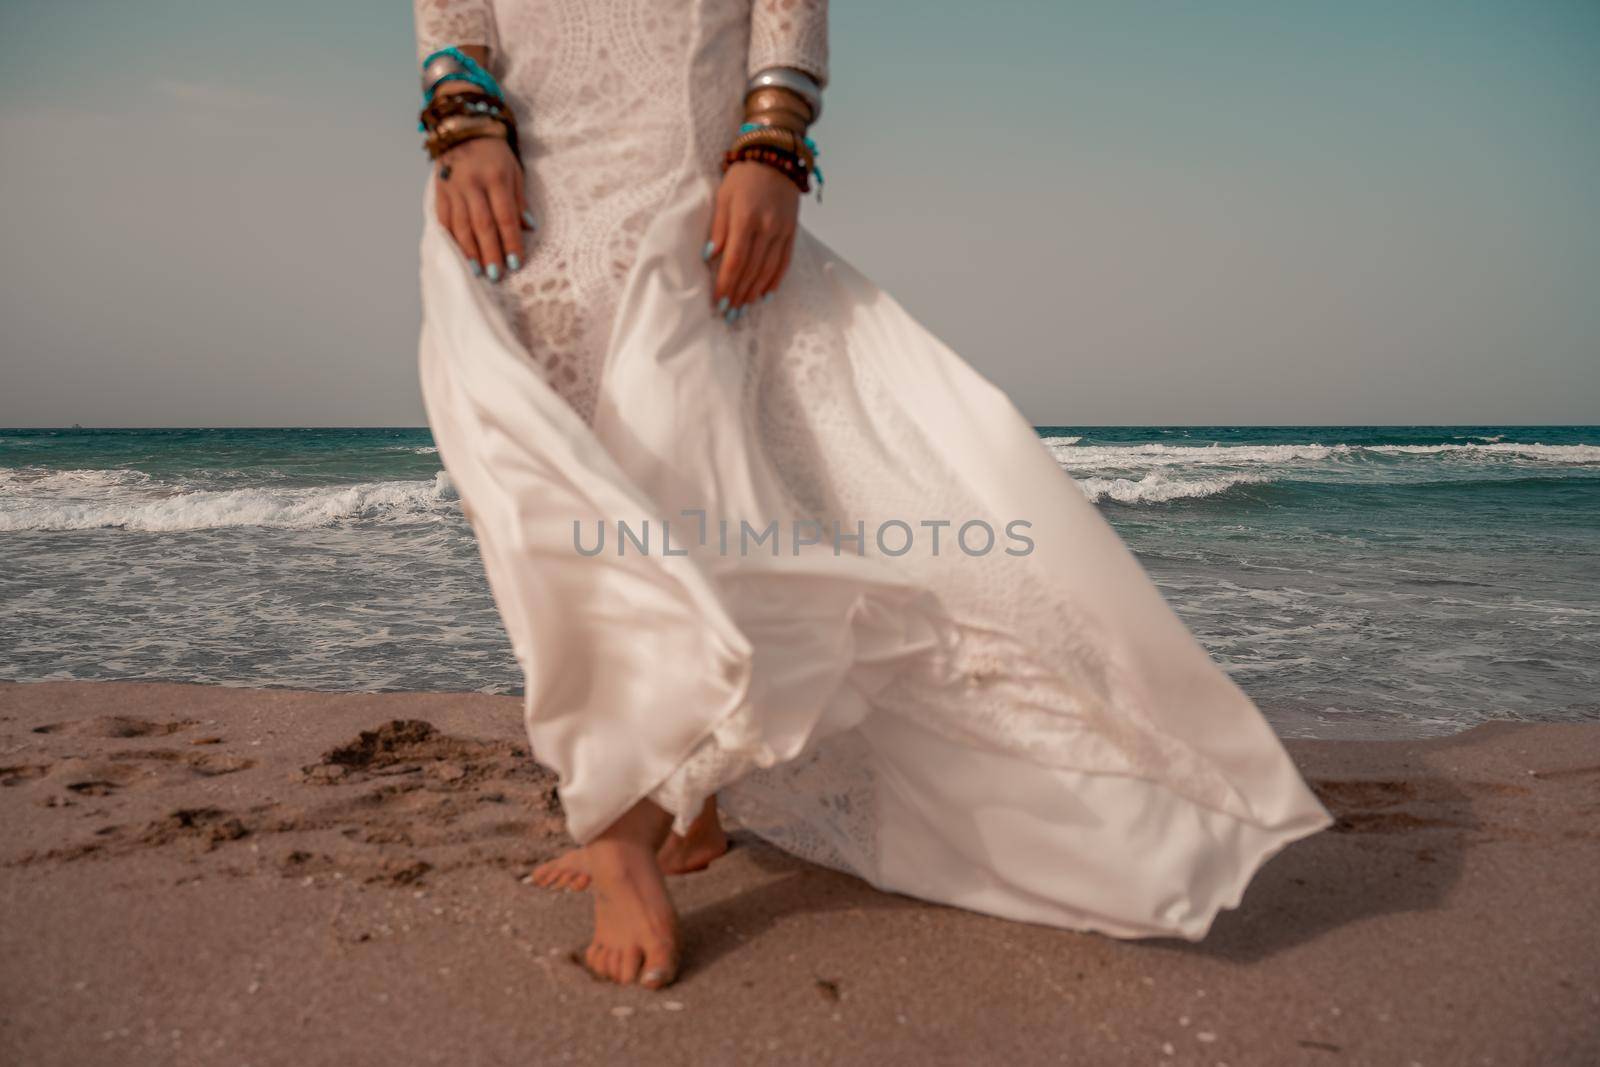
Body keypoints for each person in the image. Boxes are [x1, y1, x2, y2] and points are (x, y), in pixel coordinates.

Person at [412, 0, 1332, 990]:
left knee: (678, 483)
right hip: (518, 179)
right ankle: (686, 800)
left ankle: (619, 824)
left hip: (677, 180)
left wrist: (770, 145)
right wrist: (465, 120)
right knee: (532, 490)